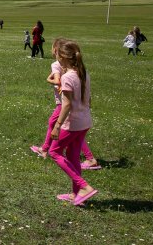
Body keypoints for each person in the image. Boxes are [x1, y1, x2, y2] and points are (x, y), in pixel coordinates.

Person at [31, 39, 99, 169]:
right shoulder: (79, 69)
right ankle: (45, 149)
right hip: (76, 106)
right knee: (71, 131)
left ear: (58, 53)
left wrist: (49, 80)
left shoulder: (57, 65)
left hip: (65, 102)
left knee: (64, 130)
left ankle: (46, 150)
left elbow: (57, 81)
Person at [48, 39, 98, 206]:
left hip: (73, 123)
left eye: (57, 54)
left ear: (62, 57)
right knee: (73, 156)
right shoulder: (83, 73)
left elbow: (67, 104)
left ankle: (84, 187)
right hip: (85, 121)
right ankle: (76, 195)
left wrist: (57, 126)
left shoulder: (68, 77)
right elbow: (89, 99)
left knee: (54, 152)